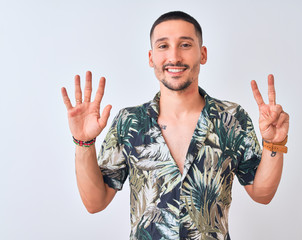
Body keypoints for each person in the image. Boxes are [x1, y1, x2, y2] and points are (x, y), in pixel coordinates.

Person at [61, 11, 289, 240]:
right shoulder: (129, 122)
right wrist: (84, 142)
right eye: (163, 46)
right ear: (151, 58)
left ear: (203, 53)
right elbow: (95, 202)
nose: (174, 56)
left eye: (185, 44)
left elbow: (262, 194)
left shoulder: (232, 119)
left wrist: (274, 143)